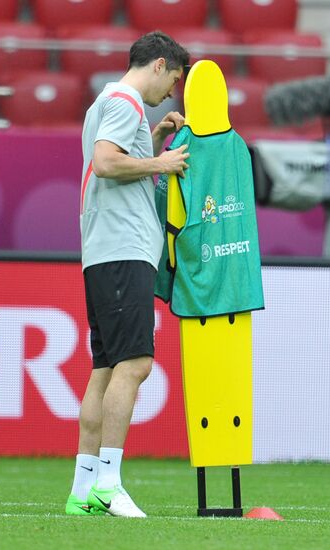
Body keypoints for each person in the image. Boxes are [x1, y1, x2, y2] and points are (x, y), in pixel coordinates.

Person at [65, 31, 190, 518]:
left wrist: (151, 141)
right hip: (123, 248)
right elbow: (105, 162)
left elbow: (114, 159)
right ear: (159, 65)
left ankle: (82, 488)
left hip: (102, 250)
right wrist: (160, 160)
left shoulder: (107, 104)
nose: (171, 94)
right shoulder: (126, 101)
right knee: (135, 365)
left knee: (105, 369)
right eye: (174, 80)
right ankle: (109, 483)